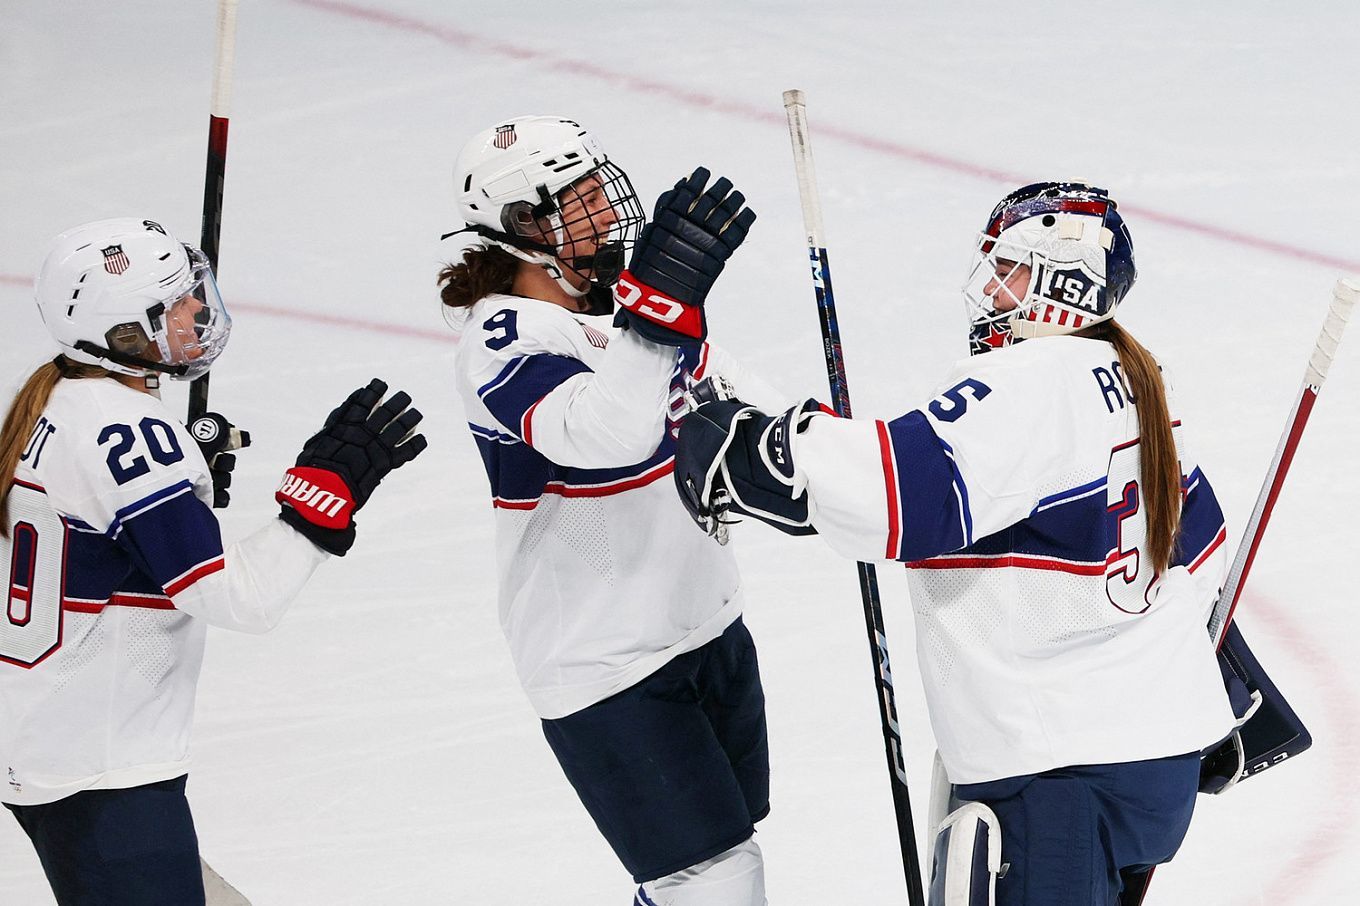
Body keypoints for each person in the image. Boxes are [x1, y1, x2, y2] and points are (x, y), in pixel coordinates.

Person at [673, 183, 1238, 905]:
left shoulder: (1030, 381)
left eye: (1009, 269)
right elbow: (1204, 556)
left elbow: (898, 494)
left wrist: (756, 447)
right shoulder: (1136, 377)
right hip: (1156, 765)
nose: (992, 289)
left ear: (1062, 281)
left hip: (1060, 775)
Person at [0, 217, 427, 905]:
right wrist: (322, 497)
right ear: (125, 333)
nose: (199, 307)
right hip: (106, 773)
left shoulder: (60, 401)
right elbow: (242, 598)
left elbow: (104, 542)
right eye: (176, 302)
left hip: (58, 748)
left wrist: (177, 497)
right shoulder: (127, 430)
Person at [440, 115, 784, 905]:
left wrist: (861, 464)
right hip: (605, 663)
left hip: (708, 624)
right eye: (581, 198)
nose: (606, 209)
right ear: (523, 224)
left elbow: (743, 398)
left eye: (600, 187)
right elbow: (606, 434)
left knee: (717, 864)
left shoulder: (624, 307)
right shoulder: (504, 338)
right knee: (716, 882)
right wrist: (654, 316)